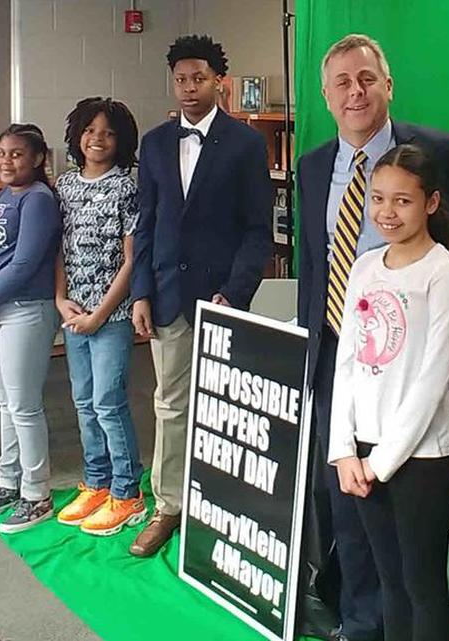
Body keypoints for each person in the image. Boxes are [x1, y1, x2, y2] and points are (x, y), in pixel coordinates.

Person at [295, 33, 449, 641]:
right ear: (327, 96)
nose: (355, 92)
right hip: (342, 350)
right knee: (347, 505)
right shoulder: (314, 166)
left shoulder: (434, 153)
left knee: (413, 561)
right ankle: (364, 623)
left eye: (367, 79)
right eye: (342, 83)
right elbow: (314, 261)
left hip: (416, 363)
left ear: (388, 86)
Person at [128, 34, 273, 557]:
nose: (189, 88)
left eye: (199, 78)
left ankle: (222, 505)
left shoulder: (246, 143)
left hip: (225, 299)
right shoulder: (155, 143)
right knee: (169, 405)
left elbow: (259, 230)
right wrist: (140, 291)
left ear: (219, 82)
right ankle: (168, 507)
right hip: (166, 294)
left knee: (226, 409)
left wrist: (234, 294)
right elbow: (146, 224)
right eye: (181, 79)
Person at [328, 143, 449, 641]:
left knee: (421, 581)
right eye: (379, 198)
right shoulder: (365, 266)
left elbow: (433, 379)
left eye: (403, 201)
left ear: (431, 203)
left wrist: (379, 463)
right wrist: (345, 451)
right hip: (363, 453)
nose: (387, 212)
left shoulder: (445, 274)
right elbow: (347, 359)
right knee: (388, 578)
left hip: (422, 457)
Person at [53, 97, 147, 537]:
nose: (98, 139)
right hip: (73, 312)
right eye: (90, 130)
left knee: (109, 403)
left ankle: (127, 492)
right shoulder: (65, 185)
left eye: (108, 132)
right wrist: (60, 300)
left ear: (121, 140)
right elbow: (59, 248)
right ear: (77, 135)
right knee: (84, 402)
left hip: (112, 315)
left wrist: (100, 314)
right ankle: (97, 481)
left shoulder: (127, 187)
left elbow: (131, 262)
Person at [0, 124, 61, 535]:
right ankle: (9, 482)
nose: (5, 161)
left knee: (24, 405)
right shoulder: (8, 195)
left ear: (38, 158)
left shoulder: (39, 200)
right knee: (6, 403)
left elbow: (24, 263)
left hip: (26, 310)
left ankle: (37, 492)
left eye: (17, 154)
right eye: (1, 153)